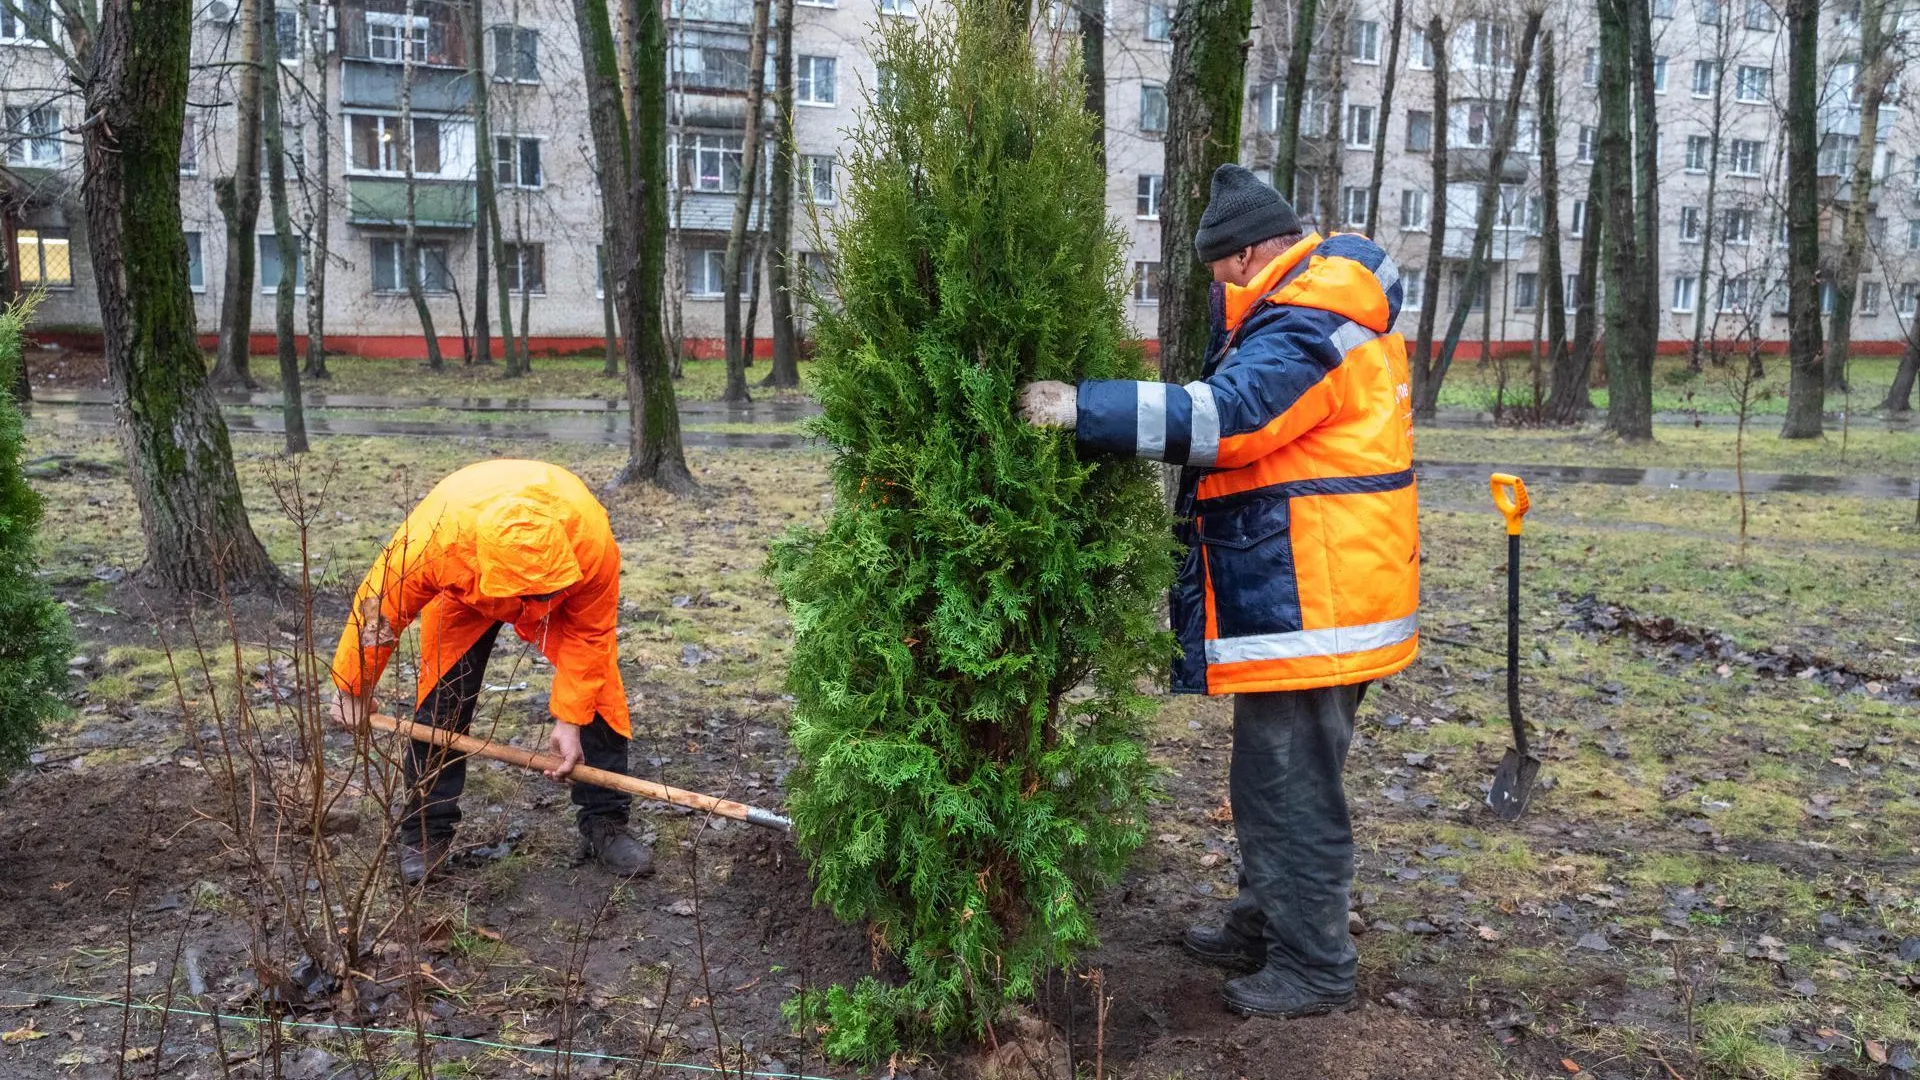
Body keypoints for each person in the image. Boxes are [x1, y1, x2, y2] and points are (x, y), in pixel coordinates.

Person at [1017, 164, 1419, 1019]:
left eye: (1212, 271)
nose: (1214, 287)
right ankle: (1264, 920)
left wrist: (1081, 409)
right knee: (1269, 776)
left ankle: (1314, 966)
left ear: (1239, 259)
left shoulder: (1315, 316)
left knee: (1291, 786)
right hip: (1313, 589)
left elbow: (1227, 420)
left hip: (1319, 598)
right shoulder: (1305, 303)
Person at [328, 459, 651, 885]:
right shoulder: (436, 540)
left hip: (566, 597)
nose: (529, 604)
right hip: (467, 593)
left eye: (540, 591)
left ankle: (605, 822)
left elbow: (591, 637)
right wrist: (355, 684)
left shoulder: (590, 542)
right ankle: (426, 831)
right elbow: (378, 610)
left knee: (599, 690)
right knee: (442, 699)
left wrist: (570, 719)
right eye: (525, 594)